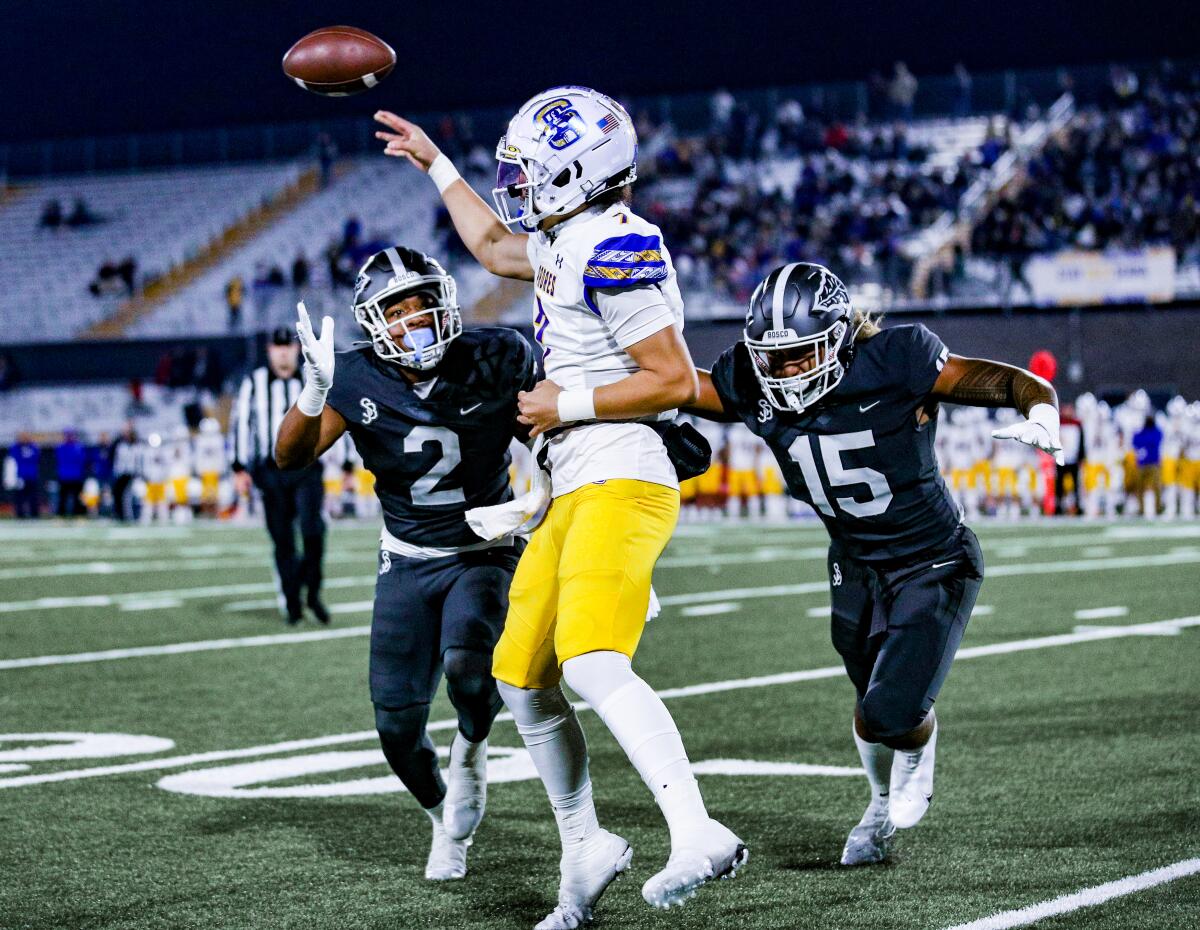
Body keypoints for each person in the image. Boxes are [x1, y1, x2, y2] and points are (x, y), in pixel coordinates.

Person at [376, 86, 746, 930]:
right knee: (521, 674)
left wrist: (564, 404)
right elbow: (489, 243)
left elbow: (673, 378)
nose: (519, 185)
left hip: (622, 470)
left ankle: (698, 831)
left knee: (588, 661)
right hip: (574, 482)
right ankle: (583, 845)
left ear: (582, 173)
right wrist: (435, 163)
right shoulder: (569, 237)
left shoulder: (618, 242)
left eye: (534, 171)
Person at [686, 262, 1064, 867]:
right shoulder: (751, 380)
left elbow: (1002, 380)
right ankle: (880, 804)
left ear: (838, 337)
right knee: (869, 705)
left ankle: (918, 753)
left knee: (893, 711)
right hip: (855, 561)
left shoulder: (897, 361)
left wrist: (1041, 408)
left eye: (801, 354)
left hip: (933, 558)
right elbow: (683, 387)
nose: (784, 372)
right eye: (772, 358)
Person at [275, 246, 536, 881]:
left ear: (447, 301)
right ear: (373, 321)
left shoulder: (495, 354)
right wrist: (312, 393)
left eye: (422, 304)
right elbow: (289, 458)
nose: (413, 320)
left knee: (471, 671)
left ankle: (471, 750)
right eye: (397, 310)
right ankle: (440, 817)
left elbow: (548, 430)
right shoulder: (354, 375)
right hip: (408, 559)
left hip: (484, 548)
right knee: (396, 728)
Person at [231, 327, 330, 624]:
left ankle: (311, 591)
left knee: (313, 531)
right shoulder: (253, 383)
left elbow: (332, 415)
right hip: (270, 471)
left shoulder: (310, 379)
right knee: (283, 539)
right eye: (278, 346)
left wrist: (348, 464)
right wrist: (239, 468)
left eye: (288, 346)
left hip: (307, 467)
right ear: (269, 351)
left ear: (297, 349)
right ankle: (293, 602)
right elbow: (240, 425)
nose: (283, 351)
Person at [8, 432, 41, 518]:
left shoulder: (33, 446)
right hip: (20, 477)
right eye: (22, 437)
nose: (24, 438)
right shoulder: (16, 447)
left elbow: (36, 456)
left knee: (33, 496)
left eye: (26, 436)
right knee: (19, 497)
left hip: (32, 476)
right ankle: (20, 514)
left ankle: (34, 514)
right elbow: (13, 457)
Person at [111, 423, 139, 522]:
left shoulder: (136, 446)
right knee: (118, 494)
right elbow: (117, 460)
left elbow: (137, 461)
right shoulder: (121, 445)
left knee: (127, 496)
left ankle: (128, 516)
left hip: (131, 473)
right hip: (121, 473)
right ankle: (120, 515)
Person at [55, 430, 86, 517]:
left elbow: (81, 460)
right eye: (68, 435)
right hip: (64, 476)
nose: (69, 437)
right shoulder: (61, 447)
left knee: (77, 498)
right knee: (63, 497)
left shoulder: (78, 447)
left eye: (71, 435)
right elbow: (60, 460)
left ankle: (78, 514)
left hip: (76, 476)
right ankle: (61, 515)